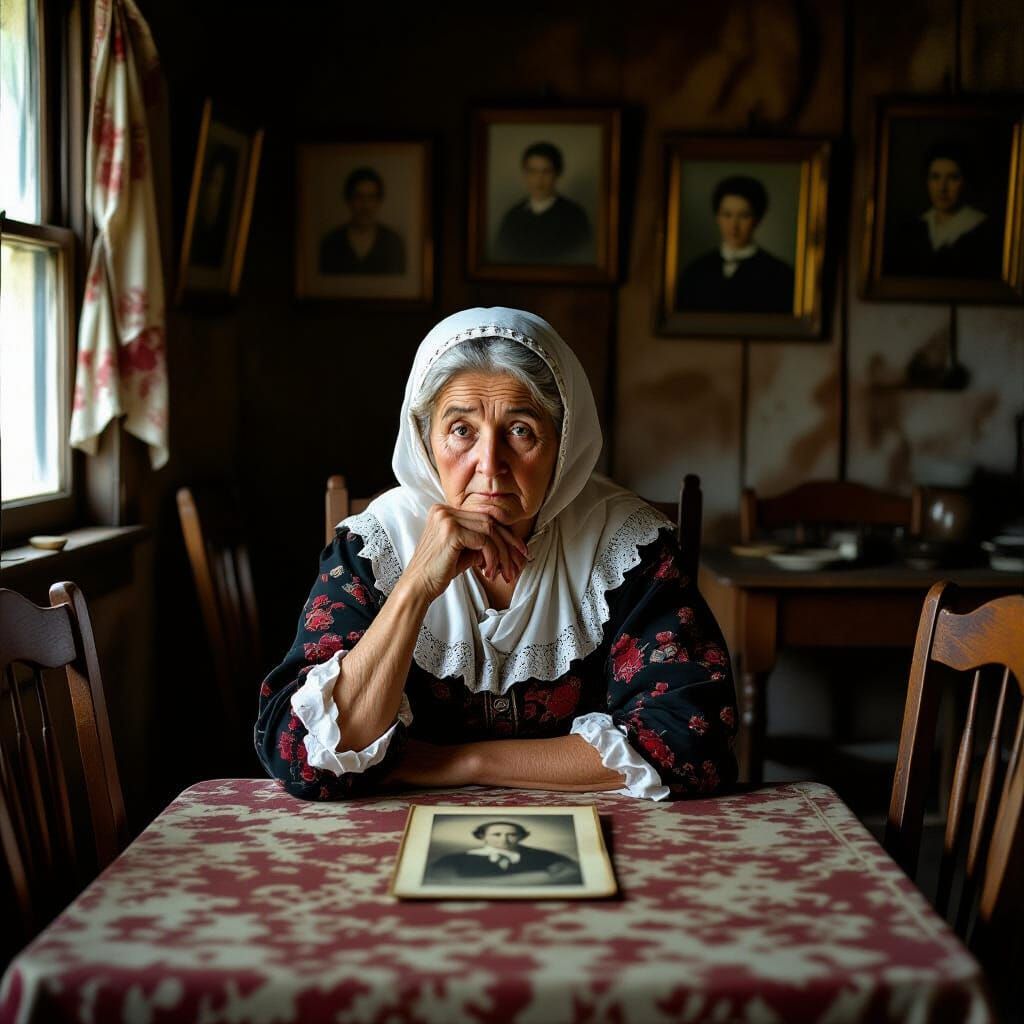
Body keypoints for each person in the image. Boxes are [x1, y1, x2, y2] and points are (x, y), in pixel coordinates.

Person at [255, 307, 738, 802]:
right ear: (426, 441)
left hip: (601, 830)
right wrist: (417, 584)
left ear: (563, 442)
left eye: (521, 429)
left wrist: (465, 762)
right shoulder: (375, 546)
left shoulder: (626, 548)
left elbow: (693, 743)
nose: (490, 466)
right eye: (461, 430)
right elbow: (302, 755)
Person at [675, 175, 794, 314]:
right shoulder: (694, 273)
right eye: (727, 215)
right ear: (717, 217)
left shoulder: (780, 276)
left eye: (744, 216)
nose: (734, 226)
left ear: (757, 219)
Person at [884, 142, 1001, 279]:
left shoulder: (984, 231)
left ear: (965, 182)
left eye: (952, 178)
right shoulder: (913, 229)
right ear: (927, 181)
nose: (942, 188)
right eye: (935, 177)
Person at [493, 142, 592, 264]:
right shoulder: (512, 217)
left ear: (557, 174)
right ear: (525, 175)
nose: (539, 179)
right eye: (532, 171)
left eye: (546, 171)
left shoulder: (575, 216)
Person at [425, 821, 582, 885]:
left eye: (512, 835)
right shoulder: (454, 859)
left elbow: (570, 875)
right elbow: (443, 881)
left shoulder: (546, 857)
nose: (504, 840)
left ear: (521, 837)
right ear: (482, 836)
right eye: (496, 834)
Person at [319, 167, 406, 275]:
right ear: (349, 200)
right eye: (359, 197)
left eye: (371, 197)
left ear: (379, 201)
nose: (365, 206)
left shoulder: (393, 243)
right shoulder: (330, 243)